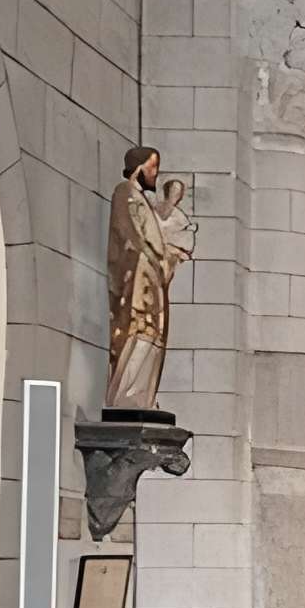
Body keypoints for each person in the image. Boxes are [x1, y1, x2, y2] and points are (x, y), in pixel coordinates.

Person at [105, 144, 179, 415]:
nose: (156, 174)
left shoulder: (145, 201)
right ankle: (126, 397)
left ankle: (143, 397)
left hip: (152, 278)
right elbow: (130, 233)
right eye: (152, 167)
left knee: (155, 336)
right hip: (137, 279)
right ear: (138, 168)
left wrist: (166, 260)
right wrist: (152, 256)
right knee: (140, 332)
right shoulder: (124, 193)